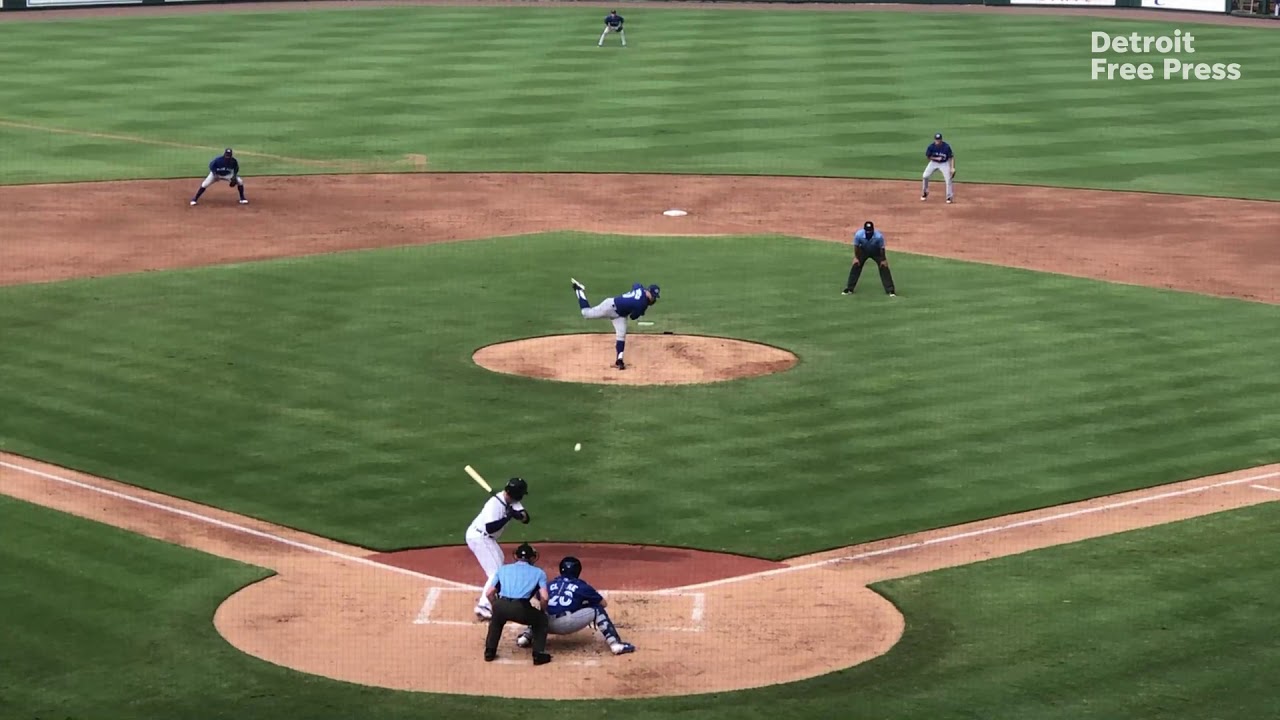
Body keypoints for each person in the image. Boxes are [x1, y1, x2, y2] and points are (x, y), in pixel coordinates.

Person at [516, 556, 636, 655]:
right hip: (566, 624)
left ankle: (525, 637)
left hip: (544, 624)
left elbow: (540, 598)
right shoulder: (581, 586)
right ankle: (615, 644)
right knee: (597, 609)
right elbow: (603, 604)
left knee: (541, 610)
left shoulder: (550, 583)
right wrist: (581, 604)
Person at [464, 477, 530, 620]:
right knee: (496, 573)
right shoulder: (493, 504)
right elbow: (490, 527)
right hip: (480, 536)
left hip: (487, 538)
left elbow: (526, 518)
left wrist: (517, 514)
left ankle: (495, 597)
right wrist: (507, 517)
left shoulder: (513, 501)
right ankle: (484, 606)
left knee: (500, 566)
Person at [482, 543, 552, 665]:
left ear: (516, 556)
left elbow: (489, 593)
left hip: (501, 604)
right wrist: (542, 611)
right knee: (541, 620)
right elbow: (544, 598)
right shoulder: (539, 572)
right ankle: (538, 654)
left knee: (496, 621)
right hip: (521, 607)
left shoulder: (503, 569)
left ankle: (489, 652)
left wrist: (496, 606)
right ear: (532, 557)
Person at [571, 278, 660, 370]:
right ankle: (579, 290)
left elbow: (636, 284)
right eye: (652, 296)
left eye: (655, 297)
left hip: (620, 315)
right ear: (648, 292)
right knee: (586, 313)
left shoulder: (640, 289)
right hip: (610, 307)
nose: (653, 298)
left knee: (621, 335)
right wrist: (640, 311)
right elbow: (633, 317)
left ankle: (619, 360)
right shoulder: (642, 305)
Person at [842, 221, 896, 297]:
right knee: (856, 265)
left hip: (876, 251)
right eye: (867, 231)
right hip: (863, 250)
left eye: (870, 231)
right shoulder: (859, 235)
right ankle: (849, 288)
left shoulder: (879, 236)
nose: (868, 232)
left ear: (873, 230)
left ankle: (890, 290)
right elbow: (856, 247)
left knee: (884, 267)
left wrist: (883, 260)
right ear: (864, 230)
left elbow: (882, 248)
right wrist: (856, 258)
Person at [921, 133, 955, 204]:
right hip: (933, 163)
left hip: (944, 164)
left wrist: (952, 168)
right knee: (925, 176)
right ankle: (925, 192)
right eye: (936, 140)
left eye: (939, 140)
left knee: (948, 179)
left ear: (941, 140)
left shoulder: (946, 147)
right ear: (934, 140)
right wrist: (936, 158)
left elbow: (951, 157)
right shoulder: (931, 147)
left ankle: (949, 197)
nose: (938, 141)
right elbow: (928, 156)